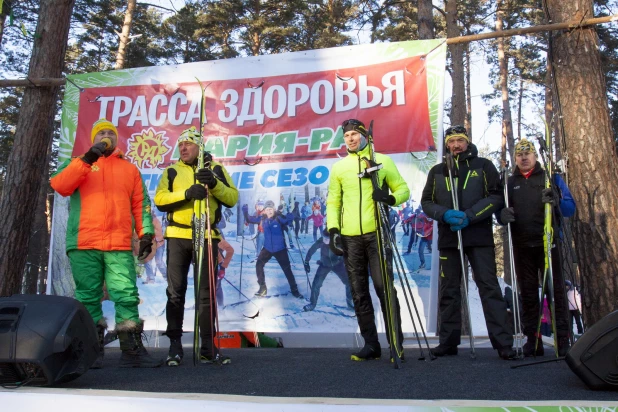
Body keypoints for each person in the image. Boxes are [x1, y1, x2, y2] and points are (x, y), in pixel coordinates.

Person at [50, 118, 161, 368]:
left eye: (111, 132)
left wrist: (145, 234)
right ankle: (90, 351)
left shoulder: (129, 169)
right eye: (101, 133)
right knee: (88, 296)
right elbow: (60, 185)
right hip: (84, 241)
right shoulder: (79, 163)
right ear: (94, 138)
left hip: (119, 243)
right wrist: (88, 159)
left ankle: (131, 350)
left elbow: (140, 204)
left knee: (126, 295)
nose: (107, 135)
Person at [421, 125, 515, 360]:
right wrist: (444, 214)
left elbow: (495, 196)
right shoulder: (437, 171)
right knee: (449, 290)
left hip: (478, 235)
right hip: (449, 236)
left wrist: (471, 215)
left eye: (460, 141)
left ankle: (503, 343)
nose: (456, 145)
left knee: (489, 287)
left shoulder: (483, 165)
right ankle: (448, 342)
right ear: (447, 144)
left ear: (467, 142)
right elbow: (426, 202)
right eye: (452, 141)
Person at [154, 127, 238, 366]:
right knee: (175, 291)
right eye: (180, 144)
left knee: (205, 295)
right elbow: (160, 199)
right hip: (178, 236)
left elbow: (232, 198)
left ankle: (208, 348)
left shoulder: (216, 168)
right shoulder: (171, 171)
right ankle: (175, 347)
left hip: (206, 235)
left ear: (199, 147)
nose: (183, 148)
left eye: (188, 144)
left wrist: (214, 183)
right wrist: (186, 193)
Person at [327, 118, 409, 362]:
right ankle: (371, 345)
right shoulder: (339, 168)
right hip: (350, 237)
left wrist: (389, 198)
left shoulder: (383, 160)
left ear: (364, 136)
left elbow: (403, 189)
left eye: (355, 134)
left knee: (383, 288)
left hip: (377, 233)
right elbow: (334, 201)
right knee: (359, 292)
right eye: (347, 136)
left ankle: (396, 345)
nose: (351, 139)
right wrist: (333, 230)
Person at [498, 138, 575, 357]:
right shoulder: (510, 183)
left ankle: (563, 340)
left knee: (556, 293)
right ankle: (533, 341)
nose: (523, 158)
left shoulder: (551, 178)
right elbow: (500, 210)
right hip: (522, 246)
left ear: (535, 156)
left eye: (527, 154)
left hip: (548, 244)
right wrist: (501, 216)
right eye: (519, 155)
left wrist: (557, 200)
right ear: (515, 158)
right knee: (529, 296)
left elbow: (570, 209)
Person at [242, 200, 304, 299]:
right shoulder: (262, 219)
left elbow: (289, 220)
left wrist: (291, 211)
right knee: (259, 265)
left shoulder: (279, 217)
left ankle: (295, 290)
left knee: (287, 270)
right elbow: (250, 219)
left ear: (274, 209)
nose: (269, 211)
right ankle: (263, 288)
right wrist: (245, 211)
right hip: (267, 249)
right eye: (267, 209)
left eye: (271, 209)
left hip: (280, 249)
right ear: (265, 210)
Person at [302, 229, 354, 312]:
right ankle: (312, 304)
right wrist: (306, 262)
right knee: (316, 284)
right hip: (324, 265)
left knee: (349, 282)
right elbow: (312, 250)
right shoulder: (321, 241)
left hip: (338, 264)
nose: (324, 240)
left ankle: (350, 305)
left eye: (327, 238)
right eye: (324, 238)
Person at [215, 238, 234, 307]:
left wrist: (223, 268)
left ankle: (220, 306)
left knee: (216, 287)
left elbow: (230, 250)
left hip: (216, 265)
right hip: (202, 265)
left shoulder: (214, 235)